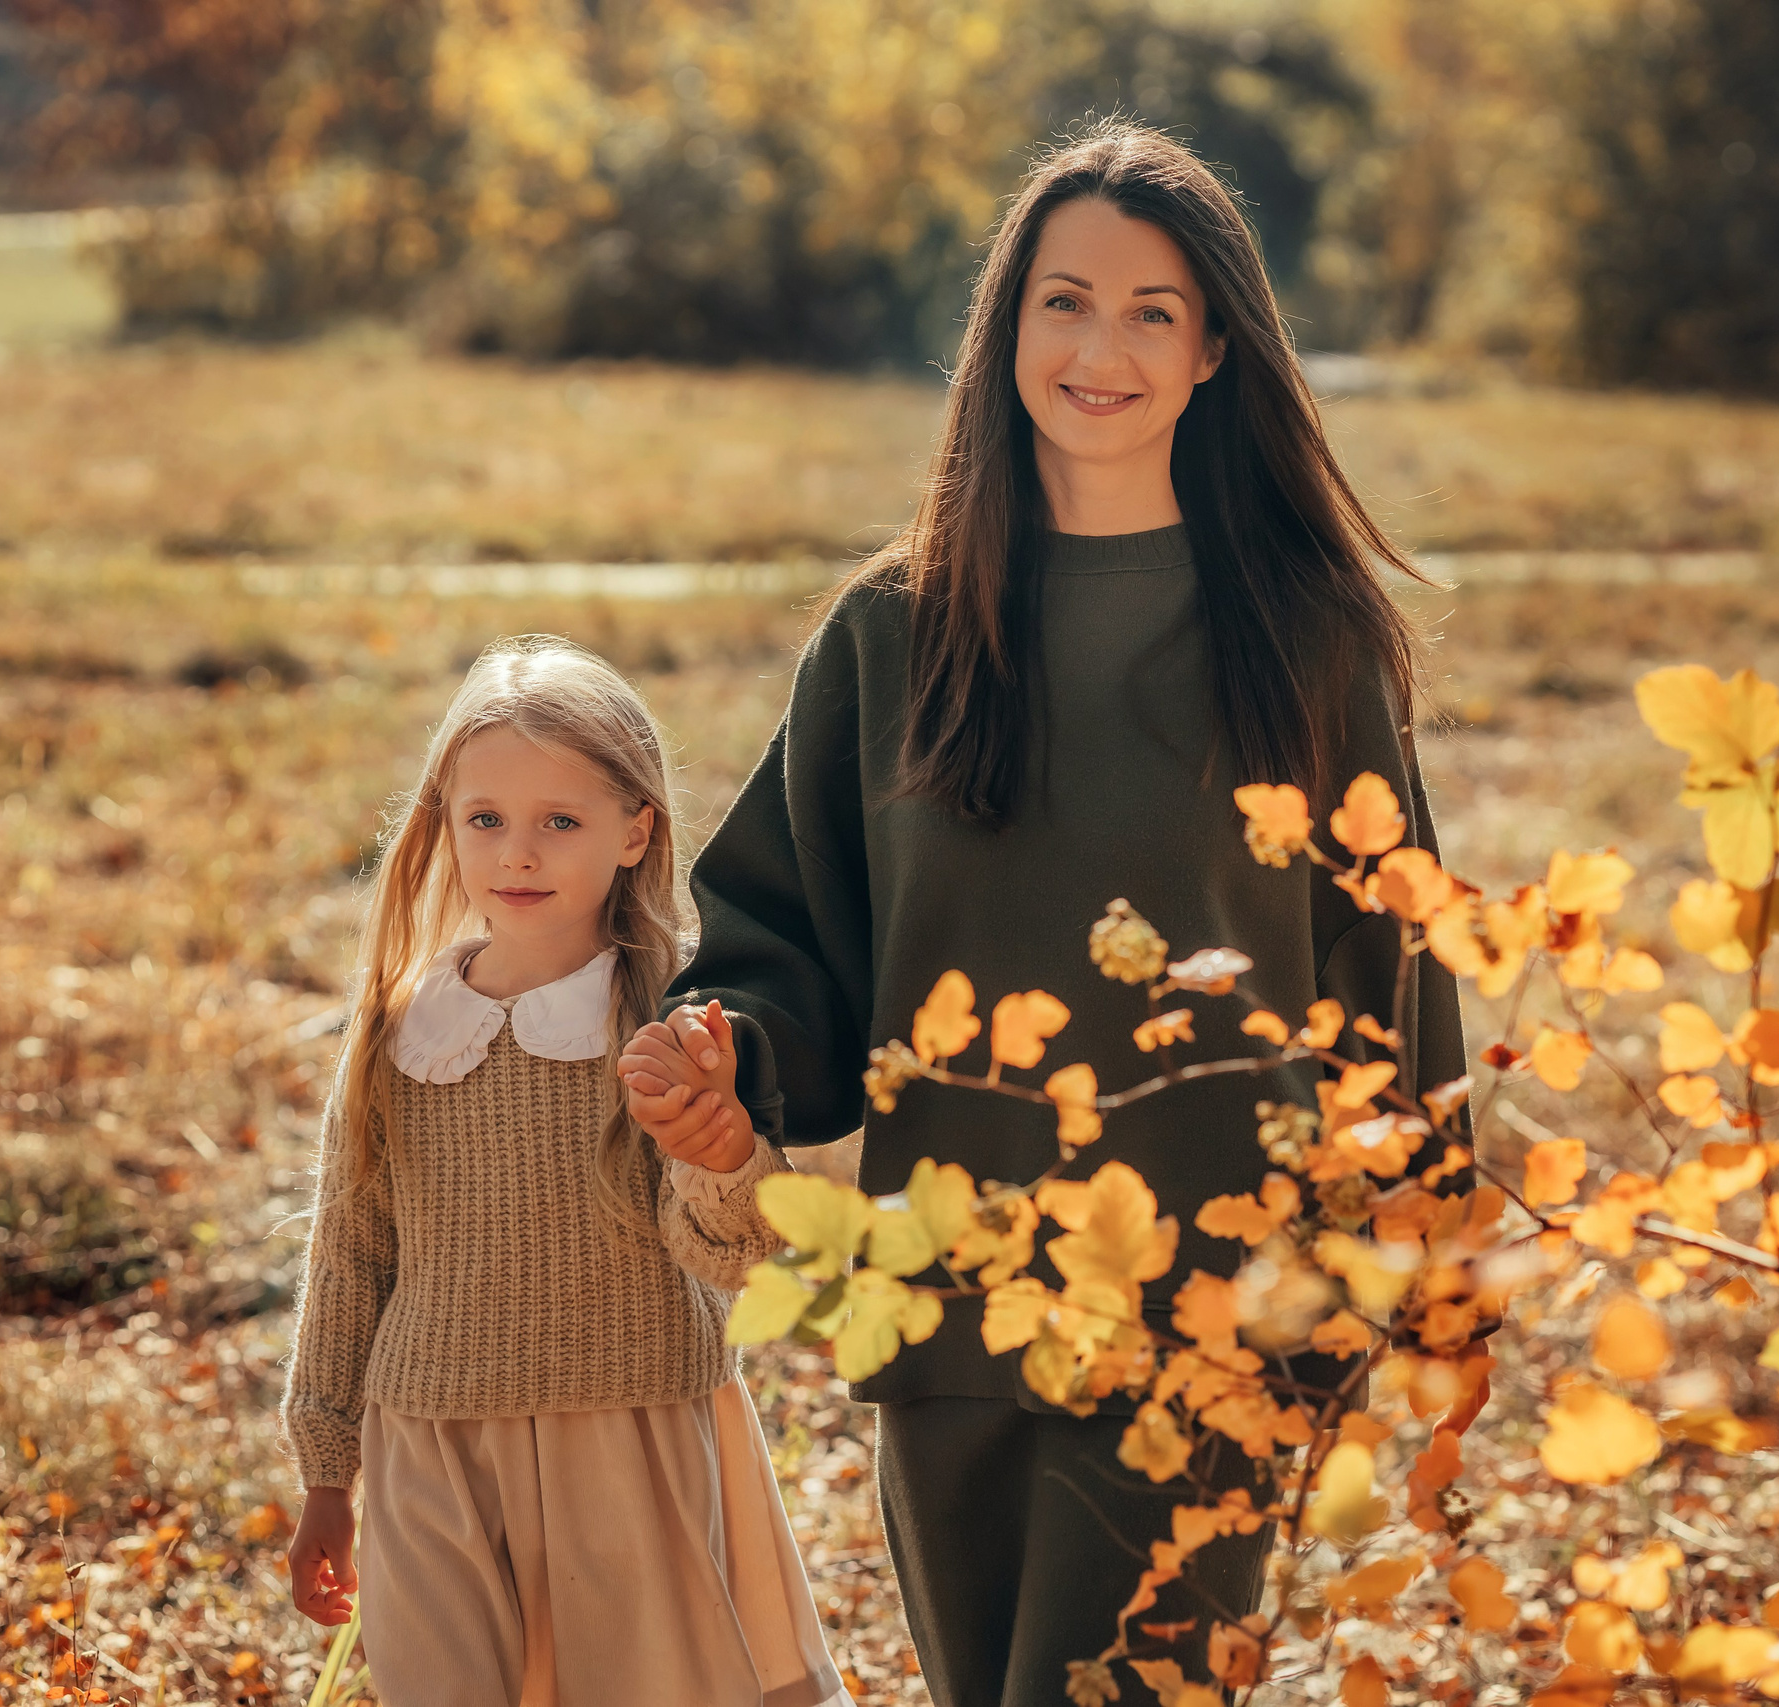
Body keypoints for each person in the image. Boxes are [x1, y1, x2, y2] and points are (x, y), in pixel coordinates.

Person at [622, 121, 1469, 1705]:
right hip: (952, 1299)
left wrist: (1415, 1250)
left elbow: (1389, 962)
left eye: (1154, 310)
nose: (1103, 346)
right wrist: (724, 1049)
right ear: (1006, 330)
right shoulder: (893, 634)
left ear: (1217, 349)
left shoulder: (1310, 638)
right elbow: (787, 931)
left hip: (1216, 1310)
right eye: (1065, 300)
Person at [280, 636, 846, 1707]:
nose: (518, 854)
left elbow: (731, 1253)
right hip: (428, 1446)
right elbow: (351, 1255)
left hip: (627, 1437)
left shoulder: (674, 1017)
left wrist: (721, 1147)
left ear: (635, 831)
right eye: (485, 818)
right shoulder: (401, 1030)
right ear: (442, 820)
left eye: (561, 822)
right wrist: (325, 1472)